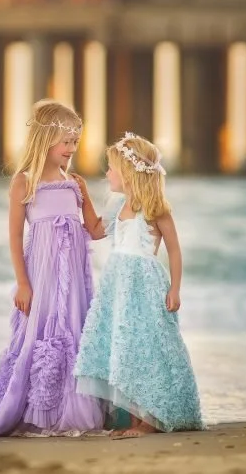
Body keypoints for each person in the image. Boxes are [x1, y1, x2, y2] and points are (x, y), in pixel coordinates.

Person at [0, 99, 107, 437]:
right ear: (45, 140)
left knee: (74, 330)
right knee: (44, 333)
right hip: (43, 277)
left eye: (75, 142)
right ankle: (38, 412)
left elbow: (95, 229)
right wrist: (22, 283)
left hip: (76, 280)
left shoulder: (77, 183)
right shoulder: (24, 182)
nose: (71, 148)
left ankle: (73, 408)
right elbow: (14, 235)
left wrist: (131, 208)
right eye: (66, 141)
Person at [73, 131, 204, 438]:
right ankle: (132, 420)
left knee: (145, 346)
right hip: (117, 287)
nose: (106, 173)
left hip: (144, 285)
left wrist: (175, 288)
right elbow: (94, 230)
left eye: (111, 168)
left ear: (128, 173)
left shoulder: (156, 208)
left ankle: (150, 421)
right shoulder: (118, 207)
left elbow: (174, 249)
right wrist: (81, 195)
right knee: (123, 349)